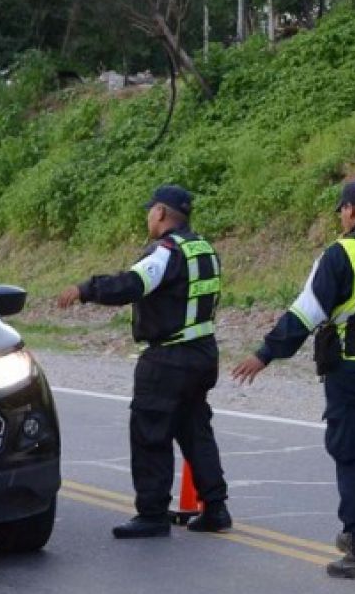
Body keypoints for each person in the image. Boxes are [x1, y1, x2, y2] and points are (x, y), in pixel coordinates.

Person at [232, 178, 355, 581]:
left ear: (352, 210)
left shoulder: (342, 252)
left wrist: (265, 353)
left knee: (354, 453)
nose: (340, 217)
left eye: (341, 210)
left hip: (351, 369)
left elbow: (307, 313)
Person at [57, 184, 230, 539]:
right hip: (202, 353)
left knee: (151, 432)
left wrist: (86, 289)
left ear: (161, 213)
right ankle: (215, 507)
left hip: (167, 356)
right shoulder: (205, 249)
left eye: (150, 211)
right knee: (195, 430)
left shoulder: (166, 251)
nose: (148, 218)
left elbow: (133, 284)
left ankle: (152, 514)